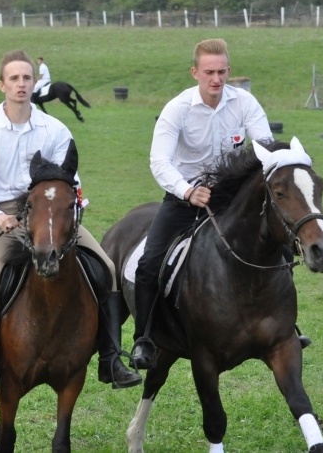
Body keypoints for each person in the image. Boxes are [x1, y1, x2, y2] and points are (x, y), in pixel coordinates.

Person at [0, 49, 141, 402]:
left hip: (53, 210)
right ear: (2, 85)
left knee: (106, 267)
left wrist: (75, 207)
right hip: (9, 213)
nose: (21, 84)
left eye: (27, 77)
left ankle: (110, 358)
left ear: (35, 82)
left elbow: (71, 179)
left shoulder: (54, 128)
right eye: (14, 78)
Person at [131, 38, 311, 370]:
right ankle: (143, 339)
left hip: (231, 200)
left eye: (222, 71)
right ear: (195, 72)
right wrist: (187, 191)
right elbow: (159, 161)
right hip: (184, 199)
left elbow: (265, 149)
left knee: (282, 251)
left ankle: (286, 328)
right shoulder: (177, 109)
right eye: (209, 72)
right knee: (149, 264)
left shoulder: (244, 102)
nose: (216, 79)